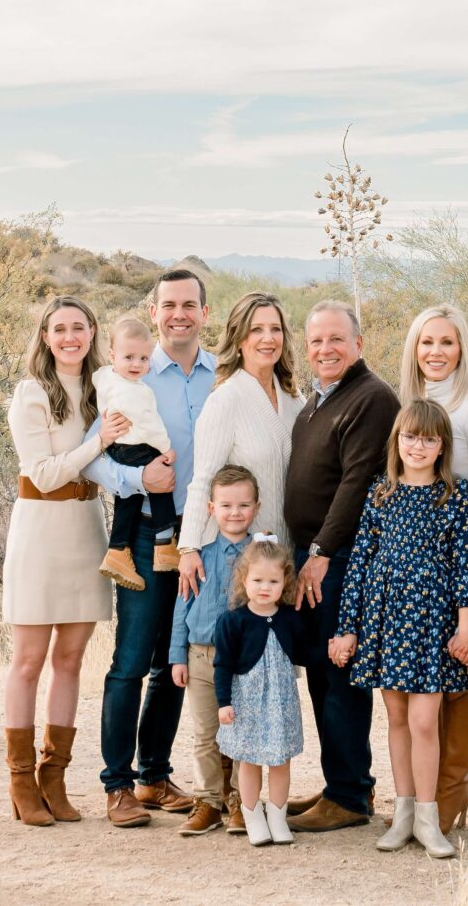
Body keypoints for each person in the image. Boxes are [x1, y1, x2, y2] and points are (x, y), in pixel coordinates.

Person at [87, 268, 214, 826]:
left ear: (204, 313)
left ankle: (154, 778)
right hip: (143, 531)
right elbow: (95, 456)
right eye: (169, 305)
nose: (179, 314)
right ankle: (116, 785)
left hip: (203, 537)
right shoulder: (129, 376)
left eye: (190, 304)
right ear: (155, 309)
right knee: (132, 661)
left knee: (174, 660)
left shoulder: (222, 377)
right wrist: (140, 483)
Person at [328, 399, 468, 859]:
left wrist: (466, 626)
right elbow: (359, 564)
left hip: (432, 622)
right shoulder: (380, 492)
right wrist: (347, 628)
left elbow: (464, 566)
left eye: (429, 439)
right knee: (395, 719)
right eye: (410, 436)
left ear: (441, 446)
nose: (418, 445)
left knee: (423, 721)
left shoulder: (453, 496)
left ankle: (431, 818)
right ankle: (404, 815)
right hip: (385, 618)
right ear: (397, 440)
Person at [0, 295, 130, 826]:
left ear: (92, 331)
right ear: (46, 336)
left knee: (72, 660)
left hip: (85, 530)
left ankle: (55, 778)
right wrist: (97, 442)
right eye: (60, 329)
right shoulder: (32, 394)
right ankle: (21, 779)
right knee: (29, 660)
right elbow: (46, 473)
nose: (70, 337)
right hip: (39, 530)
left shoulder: (105, 388)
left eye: (79, 327)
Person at [280, 300, 401, 832]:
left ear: (358, 344)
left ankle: (350, 795)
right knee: (322, 676)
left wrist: (322, 554)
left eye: (336, 339)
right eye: (315, 341)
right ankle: (341, 785)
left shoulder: (371, 398)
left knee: (341, 674)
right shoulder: (318, 399)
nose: (324, 349)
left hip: (342, 558)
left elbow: (356, 484)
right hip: (313, 555)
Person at [394, 302, 468, 832]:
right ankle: (417, 797)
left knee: (453, 681)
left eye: (447, 343)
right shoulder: (409, 404)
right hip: (411, 578)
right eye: (427, 342)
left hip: (459, 572)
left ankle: (451, 789)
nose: (436, 353)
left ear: (463, 349)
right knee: (416, 693)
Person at [168, 465, 263, 837]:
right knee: (205, 734)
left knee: (243, 733)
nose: (235, 513)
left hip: (244, 660)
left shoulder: (262, 555)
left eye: (243, 505)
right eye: (226, 505)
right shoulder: (199, 557)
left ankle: (241, 800)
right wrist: (178, 654)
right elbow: (183, 606)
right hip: (201, 656)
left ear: (256, 507)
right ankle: (208, 801)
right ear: (211, 508)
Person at [179, 292, 303, 559]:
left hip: (286, 556)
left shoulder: (294, 398)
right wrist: (189, 549)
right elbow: (202, 480)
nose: (268, 338)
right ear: (238, 338)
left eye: (275, 329)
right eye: (256, 329)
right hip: (236, 557)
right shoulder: (225, 399)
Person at [216, 537, 308, 847]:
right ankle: (253, 817)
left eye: (273, 580)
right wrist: (223, 703)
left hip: (280, 703)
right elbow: (223, 665)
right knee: (250, 760)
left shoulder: (291, 619)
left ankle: (278, 818)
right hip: (248, 702)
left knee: (281, 761)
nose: (265, 587)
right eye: (257, 580)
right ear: (244, 580)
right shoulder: (233, 621)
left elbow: (306, 653)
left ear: (285, 582)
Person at [91, 316, 178, 589]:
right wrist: (166, 448)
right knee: (161, 483)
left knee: (127, 495)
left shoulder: (107, 376)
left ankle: (117, 550)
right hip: (133, 446)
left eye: (143, 358)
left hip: (120, 448)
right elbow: (151, 424)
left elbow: (99, 376)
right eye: (129, 357)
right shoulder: (133, 392)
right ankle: (165, 545)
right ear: (112, 355)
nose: (137, 365)